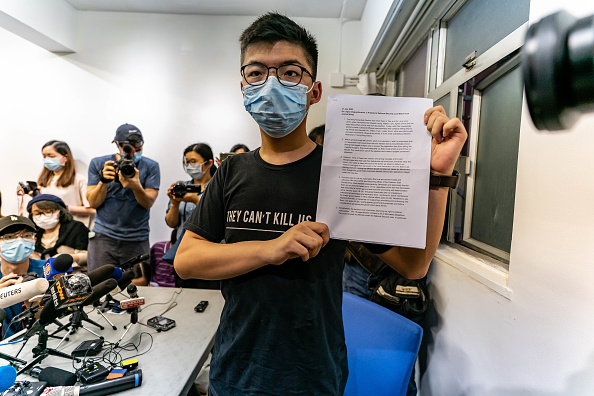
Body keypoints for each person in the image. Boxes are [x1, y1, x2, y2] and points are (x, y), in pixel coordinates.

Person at [174, 13, 466, 396]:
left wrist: (438, 178)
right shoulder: (232, 171)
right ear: (243, 87)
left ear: (314, 91)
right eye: (257, 72)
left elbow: (413, 264)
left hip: (313, 376)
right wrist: (270, 250)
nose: (272, 83)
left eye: (291, 73)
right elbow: (187, 260)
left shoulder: (342, 173)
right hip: (235, 371)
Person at [86, 123, 160, 286]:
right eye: (128, 146)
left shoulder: (151, 167)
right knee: (99, 287)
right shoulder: (100, 164)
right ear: (117, 144)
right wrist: (103, 182)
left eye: (138, 147)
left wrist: (136, 186)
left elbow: (148, 202)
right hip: (103, 237)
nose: (133, 151)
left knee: (137, 288)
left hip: (136, 238)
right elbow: (93, 202)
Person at [27, 140, 95, 228]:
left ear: (65, 157)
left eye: (51, 156)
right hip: (48, 228)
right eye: (44, 156)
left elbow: (92, 209)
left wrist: (66, 208)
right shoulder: (44, 180)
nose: (47, 160)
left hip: (71, 228)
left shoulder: (79, 180)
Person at [0, 215, 45, 339]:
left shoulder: (47, 271)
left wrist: (35, 306)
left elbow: (56, 324)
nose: (19, 241)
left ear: (34, 241)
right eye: (9, 237)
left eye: (26, 236)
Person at [165, 143, 216, 241]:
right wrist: (175, 204)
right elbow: (171, 223)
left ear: (209, 163)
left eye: (193, 162)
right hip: (182, 245)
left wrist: (196, 201)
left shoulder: (217, 188)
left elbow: (215, 221)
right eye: (187, 162)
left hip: (209, 245)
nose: (189, 166)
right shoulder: (181, 187)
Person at [26, 194, 89, 268]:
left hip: (75, 274)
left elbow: (90, 256)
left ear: (60, 212)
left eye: (48, 212)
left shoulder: (75, 228)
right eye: (37, 213)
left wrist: (71, 258)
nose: (43, 216)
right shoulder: (32, 234)